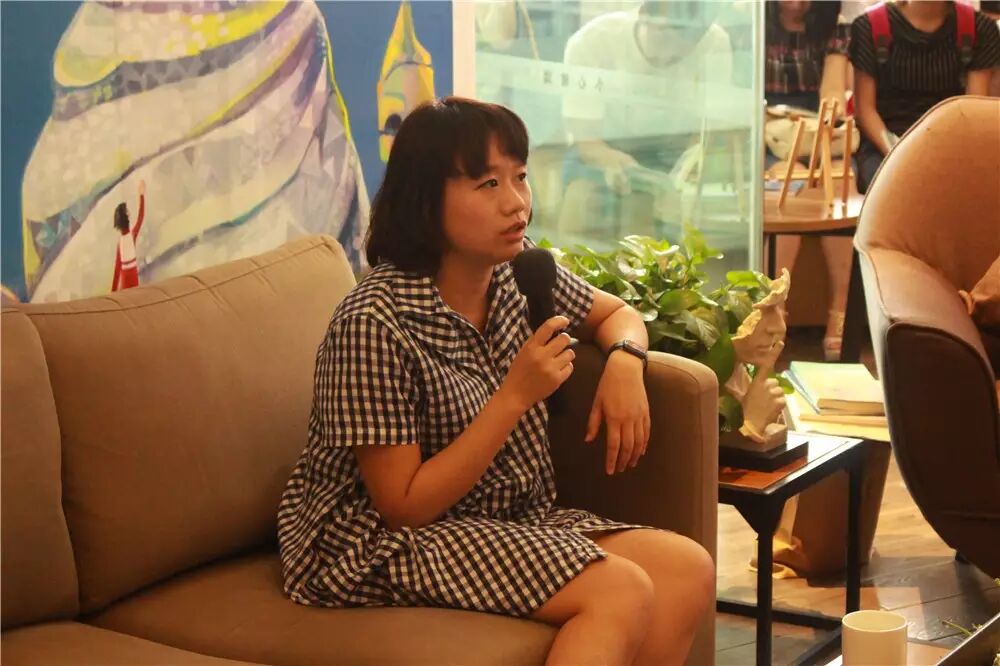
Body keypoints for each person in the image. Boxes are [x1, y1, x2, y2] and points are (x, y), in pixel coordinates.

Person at [278, 97, 714, 665]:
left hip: (504, 518)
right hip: (374, 542)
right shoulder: (373, 323)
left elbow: (617, 314)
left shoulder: (517, 273)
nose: (516, 203)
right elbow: (403, 506)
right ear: (425, 199)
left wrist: (626, 363)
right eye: (488, 184)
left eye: (520, 176)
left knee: (687, 571)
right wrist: (513, 397)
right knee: (620, 589)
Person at [559, 1, 734, 240]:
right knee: (580, 201)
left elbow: (707, 129)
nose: (667, 56)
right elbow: (586, 141)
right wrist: (613, 161)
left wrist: (690, 163)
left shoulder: (714, 43)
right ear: (643, 15)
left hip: (671, 148)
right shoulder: (593, 42)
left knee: (647, 212)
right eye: (663, 36)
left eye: (681, 49)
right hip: (603, 144)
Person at [765, 0, 854, 361]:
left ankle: (841, 309)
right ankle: (776, 307)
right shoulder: (754, 20)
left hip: (816, 123)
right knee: (790, 185)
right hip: (768, 123)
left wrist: (828, 120)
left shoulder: (835, 25)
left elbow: (832, 90)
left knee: (842, 183)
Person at [850, 0, 1000, 193]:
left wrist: (944, 158)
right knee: (890, 189)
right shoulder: (869, 26)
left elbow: (973, 111)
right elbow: (865, 110)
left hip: (954, 143)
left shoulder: (978, 28)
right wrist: (897, 151)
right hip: (886, 146)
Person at [111, 180, 146, 292]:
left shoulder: (120, 244)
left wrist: (112, 293)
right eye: (127, 211)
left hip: (126, 285)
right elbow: (141, 217)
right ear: (126, 216)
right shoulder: (131, 236)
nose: (129, 212)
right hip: (132, 283)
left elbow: (117, 271)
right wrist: (141, 195)